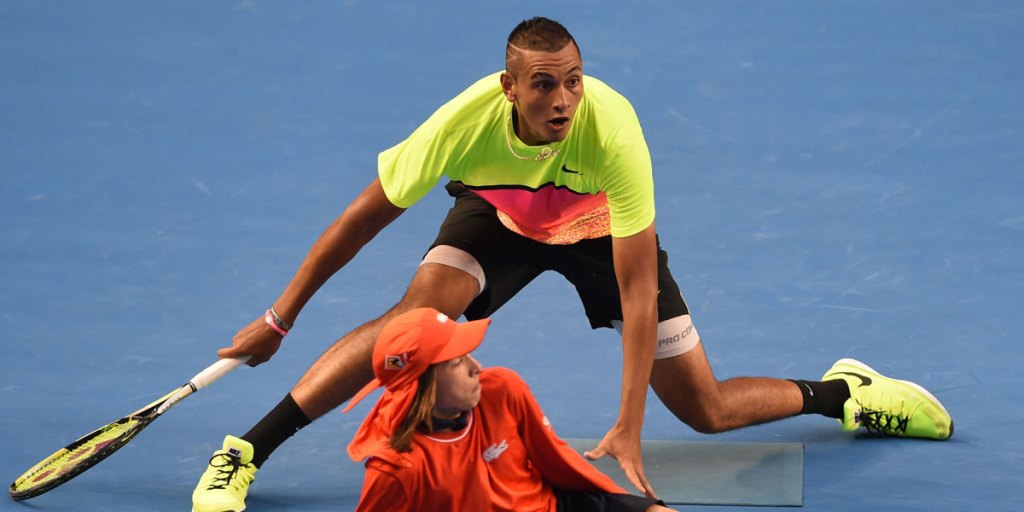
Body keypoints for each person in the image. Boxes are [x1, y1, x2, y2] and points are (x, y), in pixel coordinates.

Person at [191, 16, 953, 512]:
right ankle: (247, 449)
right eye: (544, 84)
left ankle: (842, 393)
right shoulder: (462, 127)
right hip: (502, 216)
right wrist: (278, 319)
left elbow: (637, 288)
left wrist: (628, 425)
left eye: (573, 80)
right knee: (412, 321)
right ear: (509, 88)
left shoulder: (613, 131)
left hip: (597, 232)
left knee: (707, 410)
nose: (563, 99)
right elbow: (359, 221)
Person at [344, 307, 674, 511]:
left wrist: (633, 505)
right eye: (457, 362)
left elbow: (559, 462)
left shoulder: (501, 389)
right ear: (424, 386)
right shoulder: (396, 470)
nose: (476, 367)